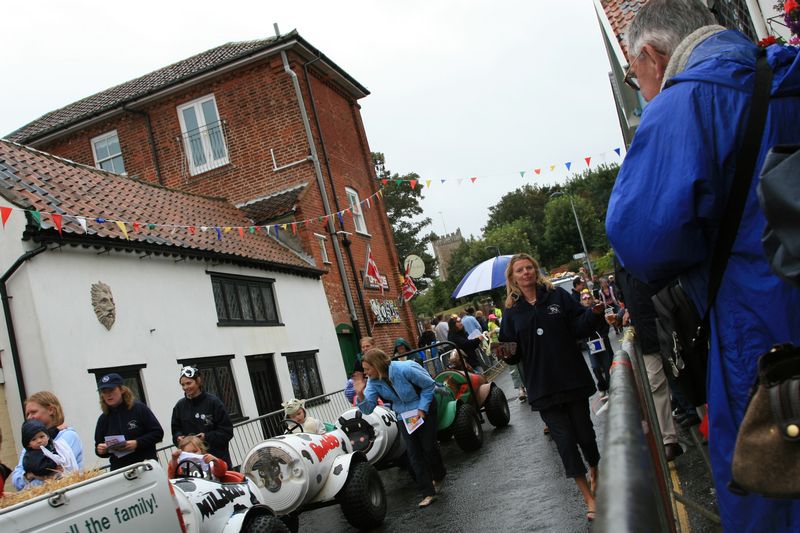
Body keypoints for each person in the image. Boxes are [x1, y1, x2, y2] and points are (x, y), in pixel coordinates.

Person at [605, 1, 800, 530]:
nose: (642, 89)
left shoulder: (684, 101)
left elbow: (642, 244)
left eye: (635, 76)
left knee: (771, 486)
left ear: (652, 56)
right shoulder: (785, 67)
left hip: (758, 330)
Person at [497, 253, 605, 522]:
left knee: (585, 435)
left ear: (536, 270)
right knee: (565, 443)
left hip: (572, 378)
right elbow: (511, 351)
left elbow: (578, 326)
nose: (526, 272)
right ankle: (588, 498)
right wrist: (505, 352)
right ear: (513, 278)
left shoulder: (556, 296)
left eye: (529, 267)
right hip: (543, 386)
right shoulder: (511, 311)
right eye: (520, 270)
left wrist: (593, 313)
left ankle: (595, 471)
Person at [353, 348, 446, 508]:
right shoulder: (373, 382)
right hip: (404, 415)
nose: (365, 373)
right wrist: (360, 394)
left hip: (424, 407)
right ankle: (428, 493)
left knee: (429, 447)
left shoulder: (405, 368)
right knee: (414, 453)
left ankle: (439, 475)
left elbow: (428, 385)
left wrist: (422, 408)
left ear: (377, 365)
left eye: (367, 369)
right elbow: (368, 409)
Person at [613, 264, 681, 461]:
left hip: (671, 324)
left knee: (688, 376)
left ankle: (710, 428)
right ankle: (669, 440)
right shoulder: (620, 266)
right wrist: (625, 312)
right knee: (655, 385)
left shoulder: (643, 255)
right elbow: (626, 298)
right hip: (645, 335)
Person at [12, 391, 84, 490]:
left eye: (33, 412)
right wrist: (29, 476)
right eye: (27, 414)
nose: (29, 418)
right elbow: (16, 480)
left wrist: (30, 480)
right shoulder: (31, 443)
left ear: (51, 410)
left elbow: (57, 473)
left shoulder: (68, 436)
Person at [93, 373, 164, 470]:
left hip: (144, 466)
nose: (108, 394)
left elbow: (158, 433)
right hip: (120, 471)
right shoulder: (103, 419)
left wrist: (137, 443)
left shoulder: (139, 408)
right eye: (104, 391)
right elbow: (98, 446)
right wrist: (101, 450)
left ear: (122, 389)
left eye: (111, 390)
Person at [171, 366, 234, 470]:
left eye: (189, 383)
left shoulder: (214, 402)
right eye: (183, 384)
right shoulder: (180, 406)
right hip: (192, 465)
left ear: (198, 381)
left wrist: (206, 437)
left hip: (216, 462)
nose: (186, 387)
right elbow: (175, 430)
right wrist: (178, 438)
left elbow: (227, 432)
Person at [168, 435, 244, 482]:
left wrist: (215, 461)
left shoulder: (208, 462)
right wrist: (174, 459)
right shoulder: (183, 466)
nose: (192, 455)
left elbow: (221, 472)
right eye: (188, 453)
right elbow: (174, 475)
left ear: (201, 450)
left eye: (195, 451)